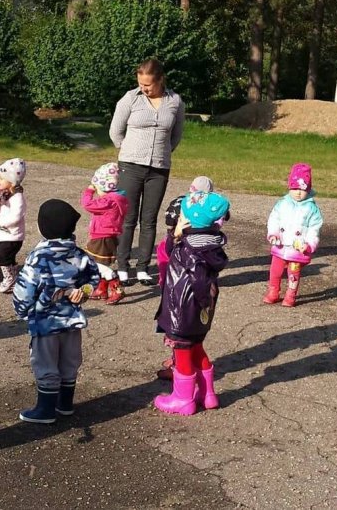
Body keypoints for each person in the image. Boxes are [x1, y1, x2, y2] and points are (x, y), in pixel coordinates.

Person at [13, 199, 100, 424]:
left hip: (45, 322)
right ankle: (65, 403)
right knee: (70, 361)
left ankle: (45, 409)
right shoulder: (80, 254)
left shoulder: (38, 257)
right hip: (72, 321)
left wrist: (22, 311)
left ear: (43, 227)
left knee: (45, 363)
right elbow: (94, 278)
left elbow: (24, 289)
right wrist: (83, 292)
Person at [109, 58, 186, 287]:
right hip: (130, 166)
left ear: (161, 80)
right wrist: (129, 152)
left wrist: (163, 152)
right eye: (141, 83)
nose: (144, 88)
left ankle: (143, 267)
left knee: (149, 219)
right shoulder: (130, 98)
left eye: (148, 84)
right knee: (128, 218)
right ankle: (123, 266)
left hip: (159, 169)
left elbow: (176, 134)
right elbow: (115, 131)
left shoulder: (175, 101)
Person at [154, 191, 230, 415]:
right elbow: (172, 252)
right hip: (200, 312)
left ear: (190, 219)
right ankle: (208, 394)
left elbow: (191, 275)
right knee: (197, 348)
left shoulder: (189, 249)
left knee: (183, 352)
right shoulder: (209, 243)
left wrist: (175, 237)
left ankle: (183, 399)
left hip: (183, 310)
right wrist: (176, 235)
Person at [263, 163, 323, 307]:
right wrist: (273, 233)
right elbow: (274, 219)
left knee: (293, 273)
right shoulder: (282, 204)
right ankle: (273, 291)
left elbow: (314, 228)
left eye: (302, 189)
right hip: (281, 244)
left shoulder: (311, 208)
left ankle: (290, 295)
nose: (298, 193)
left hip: (297, 248)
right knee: (275, 270)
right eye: (294, 188)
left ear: (308, 189)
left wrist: (309, 244)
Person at [80, 163, 129, 305]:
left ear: (105, 187)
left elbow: (87, 205)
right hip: (106, 236)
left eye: (98, 189)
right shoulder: (117, 198)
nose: (97, 192)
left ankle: (116, 284)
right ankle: (102, 289)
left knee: (97, 264)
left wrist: (89, 191)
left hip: (102, 236)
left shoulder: (109, 201)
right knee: (98, 262)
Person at [0, 158, 27, 294]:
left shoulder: (17, 197)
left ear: (12, 181)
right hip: (3, 235)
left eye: (1, 178)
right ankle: (13, 279)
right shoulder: (0, 195)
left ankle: (9, 280)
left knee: (3, 258)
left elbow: (16, 217)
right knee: (8, 258)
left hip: (13, 236)